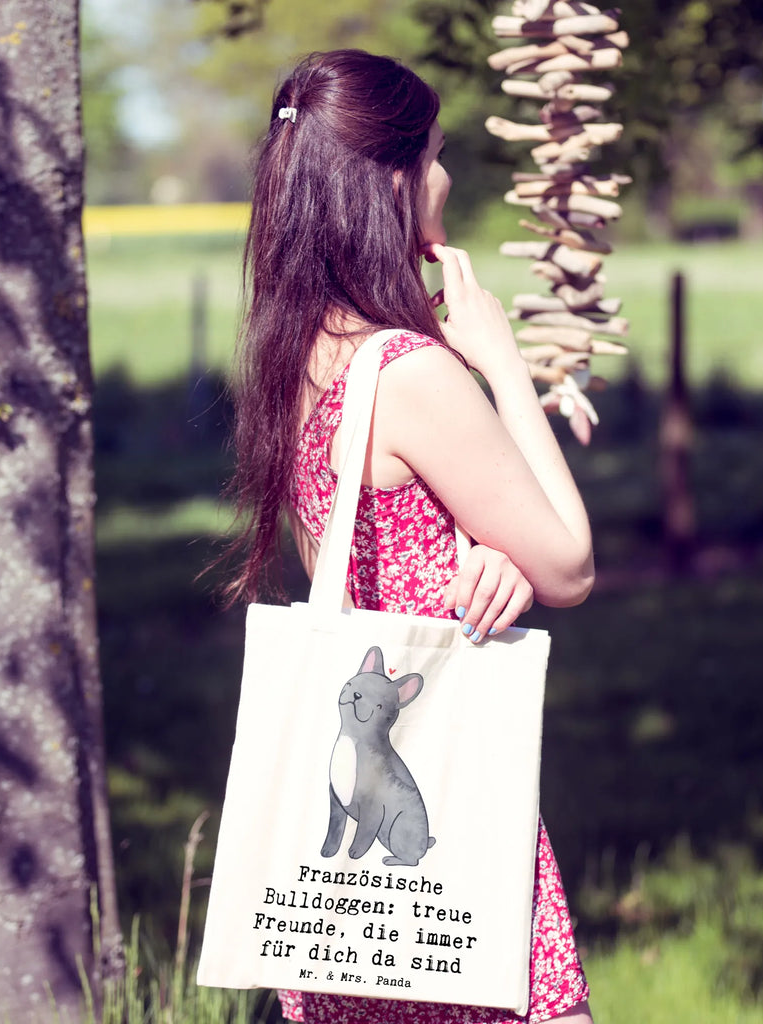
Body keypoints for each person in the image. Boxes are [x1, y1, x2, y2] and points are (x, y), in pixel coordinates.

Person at [223, 49, 595, 1024]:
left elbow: (355, 557)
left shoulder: (297, 352)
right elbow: (570, 562)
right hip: (442, 822)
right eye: (433, 154)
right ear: (391, 179)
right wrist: (503, 363)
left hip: (344, 893)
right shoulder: (411, 372)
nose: (446, 177)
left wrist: (477, 554)